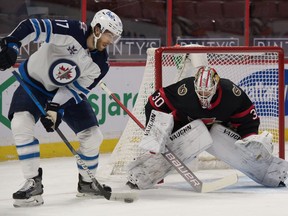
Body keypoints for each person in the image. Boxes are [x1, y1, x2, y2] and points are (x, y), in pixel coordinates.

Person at [0, 9, 123, 207]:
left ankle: (86, 183)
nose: (111, 40)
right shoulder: (73, 30)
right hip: (34, 83)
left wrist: (56, 108)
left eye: (115, 37)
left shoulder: (101, 64)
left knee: (93, 135)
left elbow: (77, 89)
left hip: (63, 92)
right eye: (110, 34)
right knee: (20, 123)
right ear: (98, 29)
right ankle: (33, 183)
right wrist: (13, 44)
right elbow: (33, 27)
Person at [126, 66, 288, 190]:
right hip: (185, 129)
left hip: (220, 129)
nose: (203, 96)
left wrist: (249, 139)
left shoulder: (231, 93)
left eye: (207, 91)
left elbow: (247, 117)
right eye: (200, 91)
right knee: (199, 131)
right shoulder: (185, 91)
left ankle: (273, 173)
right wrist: (156, 133)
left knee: (218, 136)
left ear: (216, 86)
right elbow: (154, 103)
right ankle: (143, 174)